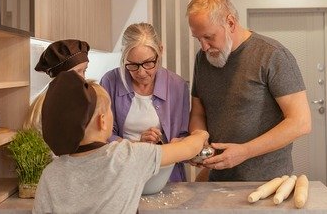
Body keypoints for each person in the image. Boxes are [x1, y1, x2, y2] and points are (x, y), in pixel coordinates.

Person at [32, 70, 209, 214]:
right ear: (102, 121)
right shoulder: (126, 156)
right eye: (109, 110)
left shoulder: (50, 173)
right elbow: (187, 148)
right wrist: (200, 135)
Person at [186, 0, 312, 181]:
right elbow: (198, 112)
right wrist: (199, 141)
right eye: (198, 39)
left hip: (268, 182)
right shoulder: (202, 59)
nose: (203, 47)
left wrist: (245, 151)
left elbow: (300, 122)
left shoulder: (272, 55)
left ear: (230, 23)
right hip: (218, 179)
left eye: (209, 37)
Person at [100, 22, 190, 182]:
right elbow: (103, 135)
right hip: (122, 176)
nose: (141, 73)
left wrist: (165, 143)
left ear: (160, 51)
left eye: (149, 63)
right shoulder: (110, 82)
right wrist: (137, 145)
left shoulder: (177, 86)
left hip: (166, 176)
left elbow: (184, 137)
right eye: (133, 65)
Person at [23, 39, 90, 133]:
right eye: (78, 71)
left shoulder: (79, 100)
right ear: (60, 75)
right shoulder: (45, 107)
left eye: (84, 71)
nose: (83, 78)